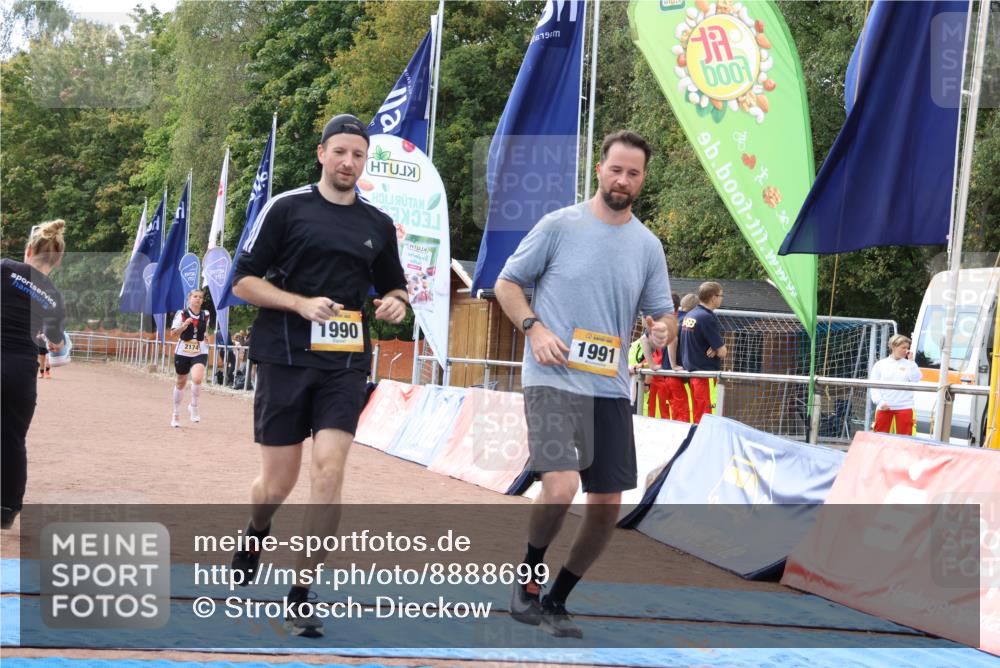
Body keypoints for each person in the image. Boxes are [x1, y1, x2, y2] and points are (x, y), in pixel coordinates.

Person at [228, 113, 408, 638]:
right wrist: (299, 304)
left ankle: (301, 593)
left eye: (358, 155)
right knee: (277, 483)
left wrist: (395, 304)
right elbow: (242, 281)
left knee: (329, 472)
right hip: (285, 355)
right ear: (322, 154)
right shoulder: (286, 208)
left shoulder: (376, 224)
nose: (349, 162)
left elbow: (393, 286)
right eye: (341, 152)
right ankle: (256, 529)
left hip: (345, 362)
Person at [495, 130, 676, 638]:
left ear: (642, 180)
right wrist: (534, 329)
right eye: (616, 169)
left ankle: (558, 598)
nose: (622, 179)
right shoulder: (558, 225)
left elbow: (663, 315)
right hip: (552, 377)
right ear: (600, 169)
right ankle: (527, 579)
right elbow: (508, 284)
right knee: (561, 482)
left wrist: (662, 330)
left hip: (610, 387)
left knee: (606, 508)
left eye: (633, 173)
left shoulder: (647, 246)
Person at [1, 220, 67, 529]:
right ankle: (7, 508)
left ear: (29, 250)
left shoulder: (4, 268)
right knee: (13, 440)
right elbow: (55, 341)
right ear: (57, 260)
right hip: (20, 371)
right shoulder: (54, 296)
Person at [680, 282, 727, 423]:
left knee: (697, 417)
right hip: (705, 375)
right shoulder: (707, 317)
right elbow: (723, 352)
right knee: (708, 418)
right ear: (713, 297)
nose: (721, 299)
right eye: (721, 296)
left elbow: (699, 340)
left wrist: (715, 345)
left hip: (692, 374)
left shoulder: (691, 315)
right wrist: (718, 346)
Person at [169, 289, 211, 427]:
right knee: (181, 382)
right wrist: (184, 325)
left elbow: (204, 330)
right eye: (195, 296)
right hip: (183, 351)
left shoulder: (206, 314)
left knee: (198, 378)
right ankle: (176, 413)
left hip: (199, 350)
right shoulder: (181, 313)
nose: (198, 299)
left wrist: (206, 337)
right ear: (190, 299)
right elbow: (173, 333)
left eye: (200, 297)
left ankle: (193, 406)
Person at [869, 334, 921, 435]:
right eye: (903, 347)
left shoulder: (909, 364)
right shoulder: (880, 365)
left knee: (906, 440)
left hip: (905, 407)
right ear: (893, 347)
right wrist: (880, 402)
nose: (906, 350)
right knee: (880, 438)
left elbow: (916, 379)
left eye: (907, 348)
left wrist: (911, 362)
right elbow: (874, 386)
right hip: (884, 407)